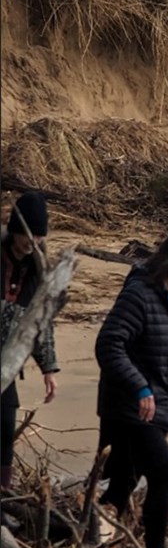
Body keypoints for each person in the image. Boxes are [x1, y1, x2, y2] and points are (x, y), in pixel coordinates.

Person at [95, 227, 168, 548]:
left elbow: (166, 362)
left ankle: (88, 543)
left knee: (122, 485)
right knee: (164, 471)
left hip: (153, 409)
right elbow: (108, 345)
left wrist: (166, 410)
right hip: (128, 408)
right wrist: (140, 388)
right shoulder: (139, 295)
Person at [0, 192, 59, 493]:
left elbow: (41, 320)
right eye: (28, 234)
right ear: (15, 230)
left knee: (4, 429)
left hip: (8, 363)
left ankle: (3, 498)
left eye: (38, 235)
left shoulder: (38, 268)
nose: (32, 241)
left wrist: (48, 367)